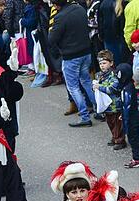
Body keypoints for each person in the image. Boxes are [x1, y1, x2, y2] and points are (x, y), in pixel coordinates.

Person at [49, 0, 96, 128]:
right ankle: (99, 110)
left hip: (71, 56)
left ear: (56, 5)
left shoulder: (60, 17)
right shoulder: (80, 8)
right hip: (86, 52)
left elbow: (51, 39)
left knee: (73, 87)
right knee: (86, 81)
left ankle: (85, 116)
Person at [94, 50, 126, 149]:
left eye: (104, 63)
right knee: (110, 122)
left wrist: (100, 87)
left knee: (117, 123)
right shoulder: (99, 75)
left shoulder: (114, 75)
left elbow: (113, 89)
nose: (102, 66)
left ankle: (120, 140)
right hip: (105, 105)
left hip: (114, 104)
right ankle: (114, 137)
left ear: (111, 63)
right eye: (100, 64)